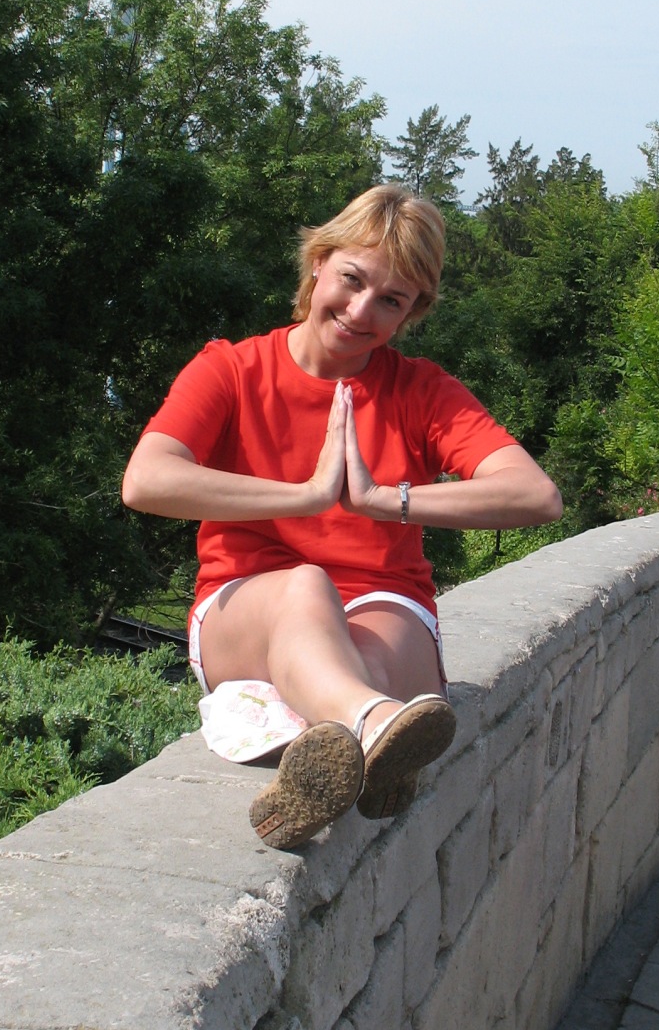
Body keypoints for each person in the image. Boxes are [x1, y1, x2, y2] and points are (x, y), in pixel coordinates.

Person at [122, 184, 562, 849]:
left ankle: (330, 748)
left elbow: (535, 496)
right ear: (318, 262)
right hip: (250, 607)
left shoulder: (421, 390)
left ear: (412, 313)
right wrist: (304, 495)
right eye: (352, 280)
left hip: (381, 601)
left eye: (392, 300)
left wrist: (385, 500)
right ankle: (377, 727)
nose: (361, 311)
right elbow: (146, 480)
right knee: (305, 588)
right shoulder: (232, 370)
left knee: (361, 653)